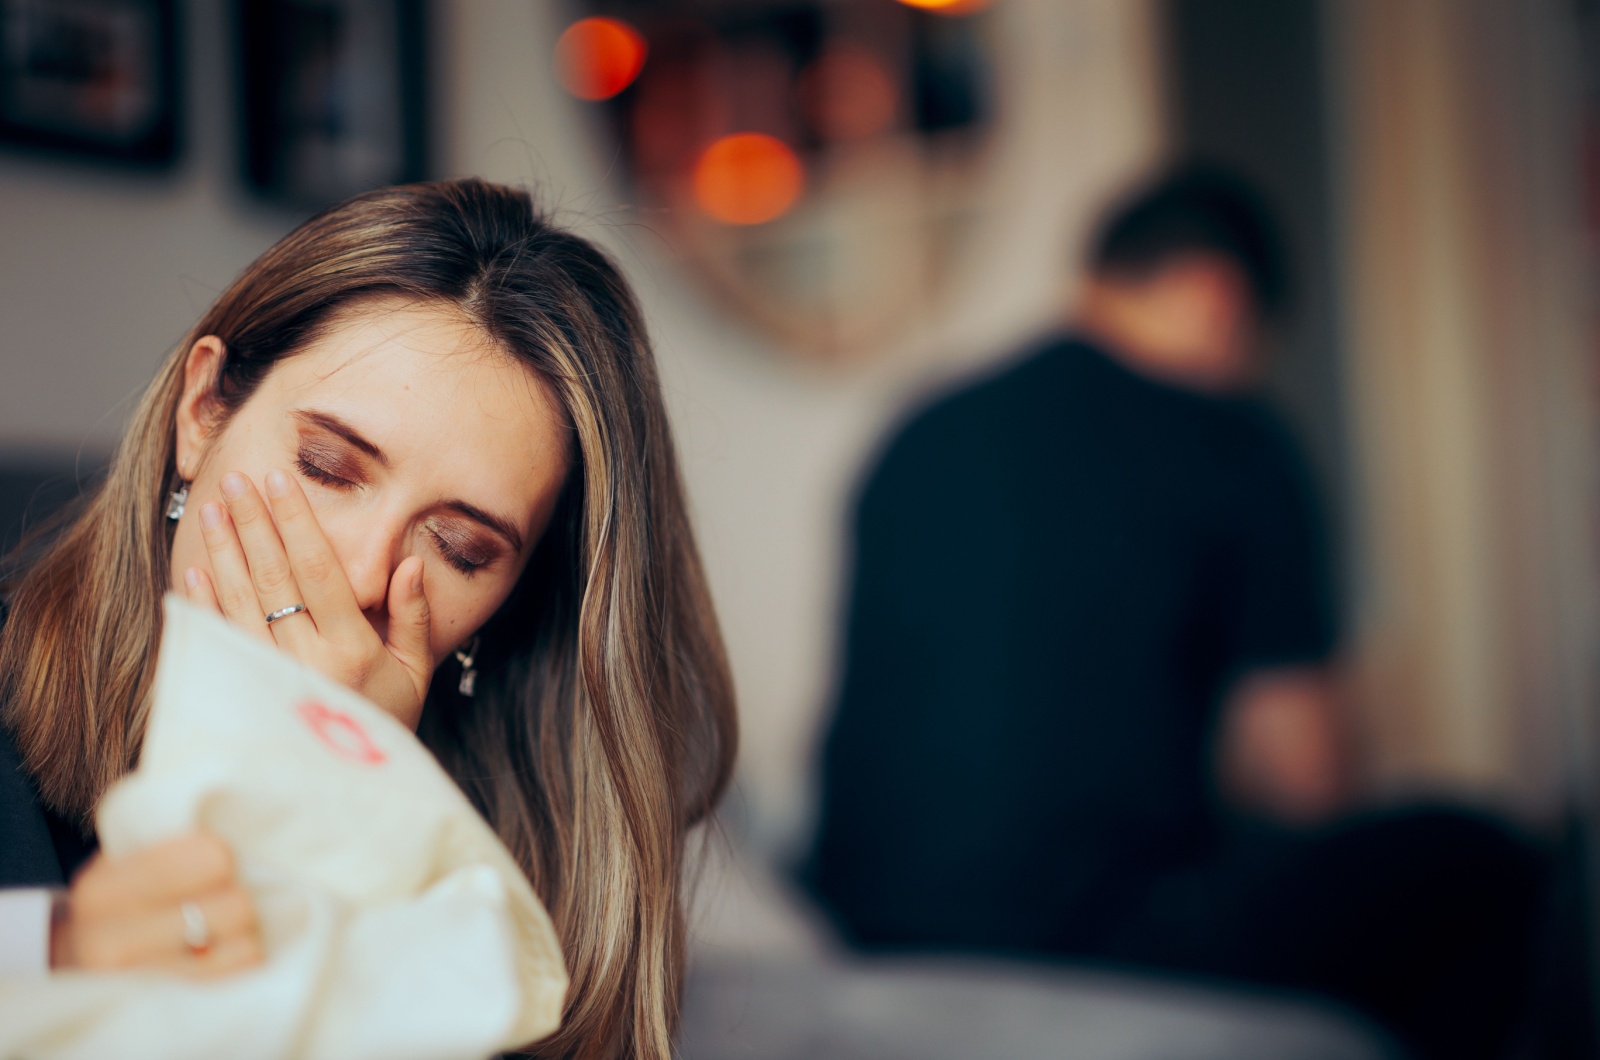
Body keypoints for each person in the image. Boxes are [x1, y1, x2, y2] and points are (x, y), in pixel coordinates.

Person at [800, 168, 1544, 1059]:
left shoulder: (920, 428)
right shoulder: (1233, 439)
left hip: (867, 925)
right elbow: (1306, 777)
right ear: (1219, 298)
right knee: (1486, 857)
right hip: (1091, 938)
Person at [0, 178, 737, 1060]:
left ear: (513, 604)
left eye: (461, 550)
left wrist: (354, 816)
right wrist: (53, 961)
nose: (358, 574)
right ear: (203, 414)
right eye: (326, 467)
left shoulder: (490, 898)